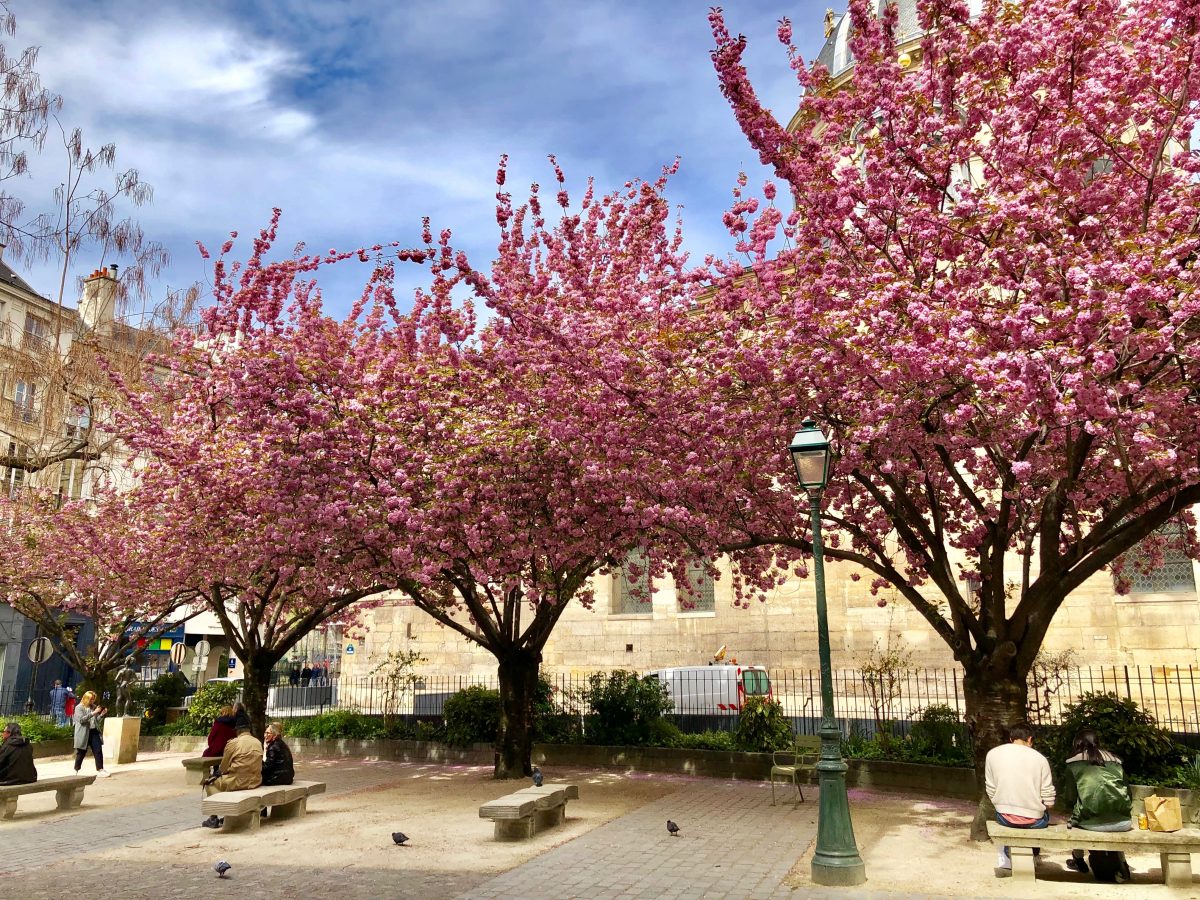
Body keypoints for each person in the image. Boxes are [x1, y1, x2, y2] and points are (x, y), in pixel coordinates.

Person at [984, 721, 1054, 878]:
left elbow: (990, 787)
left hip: (1004, 816)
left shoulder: (992, 754)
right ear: (1030, 739)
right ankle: (1034, 855)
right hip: (1035, 820)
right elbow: (1048, 797)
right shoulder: (1040, 759)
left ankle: (1007, 856)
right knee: (1042, 816)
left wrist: (1000, 803)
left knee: (1010, 822)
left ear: (1011, 739)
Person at [1064, 729, 1134, 882]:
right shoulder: (1116, 762)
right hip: (1124, 823)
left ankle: (1078, 859)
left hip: (1092, 824)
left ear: (1077, 744)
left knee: (1075, 821)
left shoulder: (1073, 764)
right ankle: (1122, 862)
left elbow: (1070, 799)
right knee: (1100, 820)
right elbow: (1129, 794)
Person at [201, 709, 262, 828]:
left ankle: (213, 817)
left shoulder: (233, 743)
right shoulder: (257, 742)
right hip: (255, 781)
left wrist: (217, 774)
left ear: (237, 731)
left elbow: (224, 767)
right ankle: (226, 814)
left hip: (238, 781)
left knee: (210, 784)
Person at [72, 690, 110, 778]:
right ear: (86, 698)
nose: (92, 701)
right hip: (83, 732)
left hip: (93, 731)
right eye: (91, 699)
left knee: (98, 750)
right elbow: (81, 720)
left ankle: (100, 769)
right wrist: (94, 713)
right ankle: (76, 769)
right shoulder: (79, 708)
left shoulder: (94, 707)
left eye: (93, 699)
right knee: (81, 752)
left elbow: (96, 721)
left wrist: (101, 715)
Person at [261, 721, 294, 786]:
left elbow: (266, 768)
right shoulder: (282, 743)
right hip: (288, 777)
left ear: (275, 735)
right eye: (265, 733)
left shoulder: (272, 747)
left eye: (268, 733)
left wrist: (265, 750)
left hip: (276, 778)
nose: (265, 736)